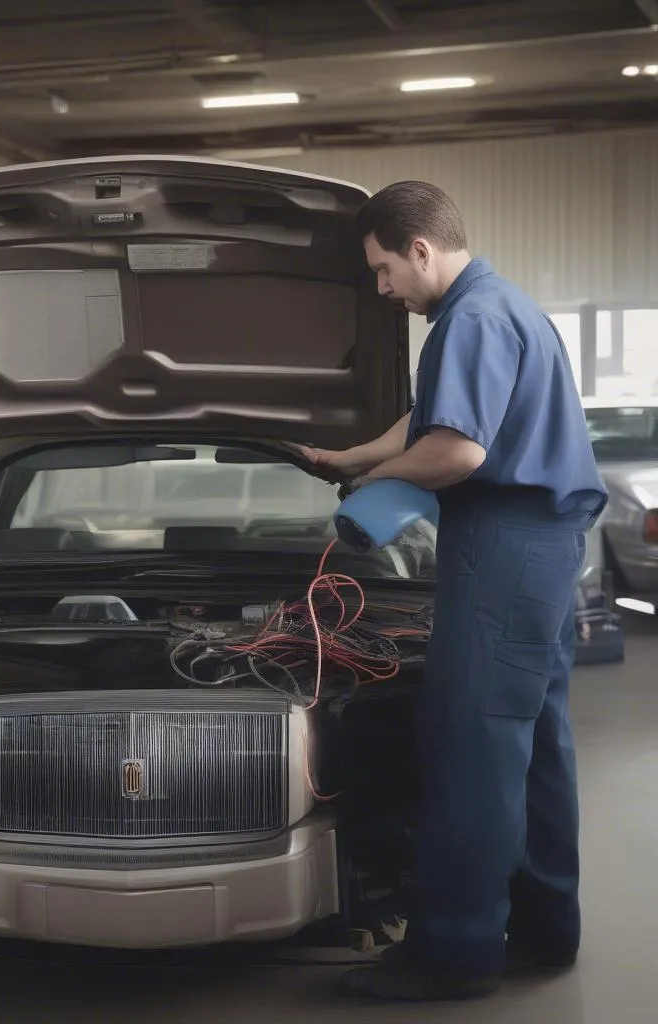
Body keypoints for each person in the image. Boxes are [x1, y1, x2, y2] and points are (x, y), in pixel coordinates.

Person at [299, 182, 607, 1001]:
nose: (382, 289)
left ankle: (452, 953)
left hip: (503, 545)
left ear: (421, 250)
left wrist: (382, 485)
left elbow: (456, 453)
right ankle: (545, 929)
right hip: (542, 551)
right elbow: (427, 421)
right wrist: (354, 458)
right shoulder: (503, 307)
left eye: (382, 269)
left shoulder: (469, 319)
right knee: (534, 745)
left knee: (469, 748)